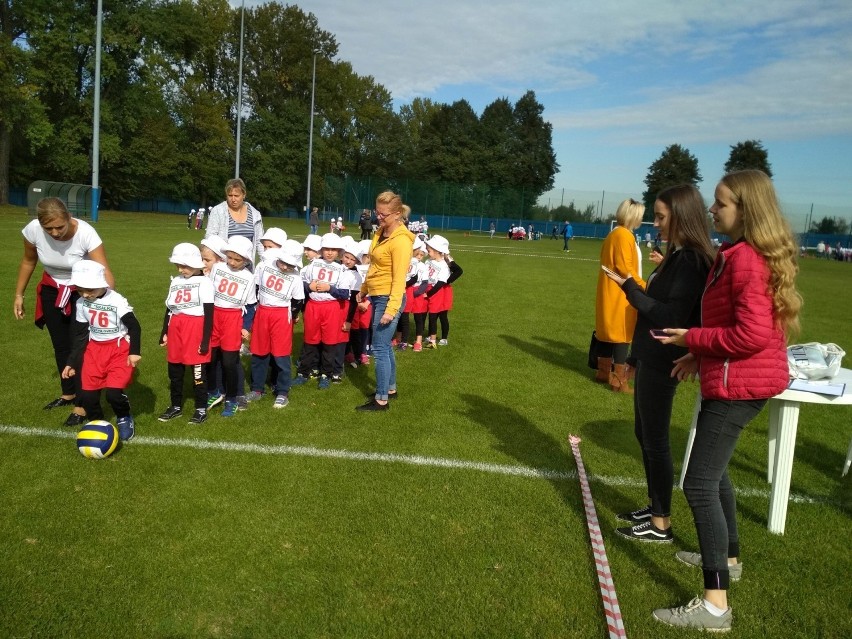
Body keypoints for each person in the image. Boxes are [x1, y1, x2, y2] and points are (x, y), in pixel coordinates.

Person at [652, 170, 802, 632]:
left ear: (746, 210)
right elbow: (741, 329)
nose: (712, 210)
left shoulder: (746, 261)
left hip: (741, 387)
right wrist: (700, 354)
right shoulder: (736, 255)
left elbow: (753, 333)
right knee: (714, 478)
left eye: (720, 203)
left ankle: (715, 603)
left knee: (697, 485)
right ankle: (729, 557)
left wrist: (692, 337)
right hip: (734, 379)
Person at [602, 185, 714, 543]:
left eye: (662, 217)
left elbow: (672, 316)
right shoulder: (678, 255)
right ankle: (654, 507)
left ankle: (661, 520)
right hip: (650, 355)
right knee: (645, 434)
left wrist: (630, 291)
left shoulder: (692, 260)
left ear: (681, 217)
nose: (657, 223)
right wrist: (634, 356)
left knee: (655, 438)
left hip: (665, 358)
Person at [14, 197, 116, 427]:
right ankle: (68, 394)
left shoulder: (86, 234)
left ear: (69, 218)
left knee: (80, 347)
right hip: (51, 291)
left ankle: (82, 405)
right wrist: (19, 295)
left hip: (83, 293)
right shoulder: (32, 231)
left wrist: (110, 303)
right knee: (60, 346)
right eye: (48, 228)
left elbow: (104, 271)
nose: (55, 232)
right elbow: (28, 262)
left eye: (59, 226)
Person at [63, 260, 141, 441]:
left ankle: (124, 416)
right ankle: (97, 422)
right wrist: (72, 362)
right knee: (88, 396)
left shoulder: (116, 300)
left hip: (119, 349)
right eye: (80, 290)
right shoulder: (81, 303)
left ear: (101, 284)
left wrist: (134, 351)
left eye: (89, 290)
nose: (85, 294)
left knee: (114, 393)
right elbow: (81, 335)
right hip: (95, 351)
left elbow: (134, 327)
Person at [355, 191, 415, 410]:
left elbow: (400, 278)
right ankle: (389, 388)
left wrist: (391, 309)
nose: (378, 217)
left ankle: (381, 400)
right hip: (377, 293)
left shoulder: (401, 242)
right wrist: (364, 289)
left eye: (383, 214)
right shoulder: (380, 232)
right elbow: (375, 265)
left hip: (389, 298)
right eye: (377, 212)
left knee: (379, 348)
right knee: (386, 348)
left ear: (397, 214)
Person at [157, 243, 214, 424]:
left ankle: (200, 408)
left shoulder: (205, 282)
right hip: (176, 327)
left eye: (185, 265)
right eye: (178, 265)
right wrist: (164, 331)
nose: (181, 269)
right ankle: (175, 406)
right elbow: (170, 308)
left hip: (195, 328)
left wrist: (205, 341)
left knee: (198, 372)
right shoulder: (176, 281)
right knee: (174, 370)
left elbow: (209, 313)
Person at [594, 199, 646, 392]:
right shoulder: (624, 235)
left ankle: (603, 371)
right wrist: (644, 286)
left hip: (610, 289)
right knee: (622, 335)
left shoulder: (614, 234)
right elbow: (625, 268)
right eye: (640, 215)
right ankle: (619, 380)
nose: (641, 219)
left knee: (608, 333)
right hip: (621, 292)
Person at [245, 247, 305, 408]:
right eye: (283, 263)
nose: (285, 267)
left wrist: (292, 315)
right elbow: (255, 287)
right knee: (259, 352)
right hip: (262, 312)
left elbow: (298, 301)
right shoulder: (264, 267)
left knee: (281, 355)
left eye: (290, 265)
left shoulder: (296, 278)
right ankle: (257, 388)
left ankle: (283, 391)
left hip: (281, 316)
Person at [207, 236, 257, 417]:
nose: (233, 262)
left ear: (246, 260)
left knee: (229, 361)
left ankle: (232, 398)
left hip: (232, 319)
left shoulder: (249, 278)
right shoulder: (218, 268)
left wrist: (246, 326)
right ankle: (214, 392)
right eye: (230, 257)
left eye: (238, 259)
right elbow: (208, 292)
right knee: (210, 358)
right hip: (213, 316)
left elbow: (250, 306)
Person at [205, 178, 265, 264]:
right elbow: (210, 237)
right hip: (225, 265)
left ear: (244, 195)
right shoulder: (218, 211)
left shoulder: (255, 214)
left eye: (236, 196)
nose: (233, 199)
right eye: (230, 195)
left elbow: (260, 242)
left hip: (247, 267)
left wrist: (266, 262)